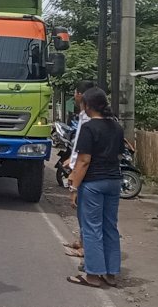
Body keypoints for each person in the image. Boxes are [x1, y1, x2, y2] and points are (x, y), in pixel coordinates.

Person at [67, 87, 123, 289]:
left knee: (91, 228)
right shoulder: (116, 127)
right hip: (114, 182)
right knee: (110, 227)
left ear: (88, 106)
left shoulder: (89, 128)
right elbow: (119, 155)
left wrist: (73, 187)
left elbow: (83, 161)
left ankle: (92, 275)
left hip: (93, 183)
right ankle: (111, 273)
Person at [63, 80, 96, 258]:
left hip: (86, 171)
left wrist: (74, 175)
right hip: (85, 168)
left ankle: (86, 248)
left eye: (76, 92)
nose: (74, 96)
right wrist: (71, 159)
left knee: (85, 211)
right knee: (82, 210)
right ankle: (83, 241)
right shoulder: (85, 117)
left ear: (81, 95)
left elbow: (84, 153)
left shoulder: (89, 119)